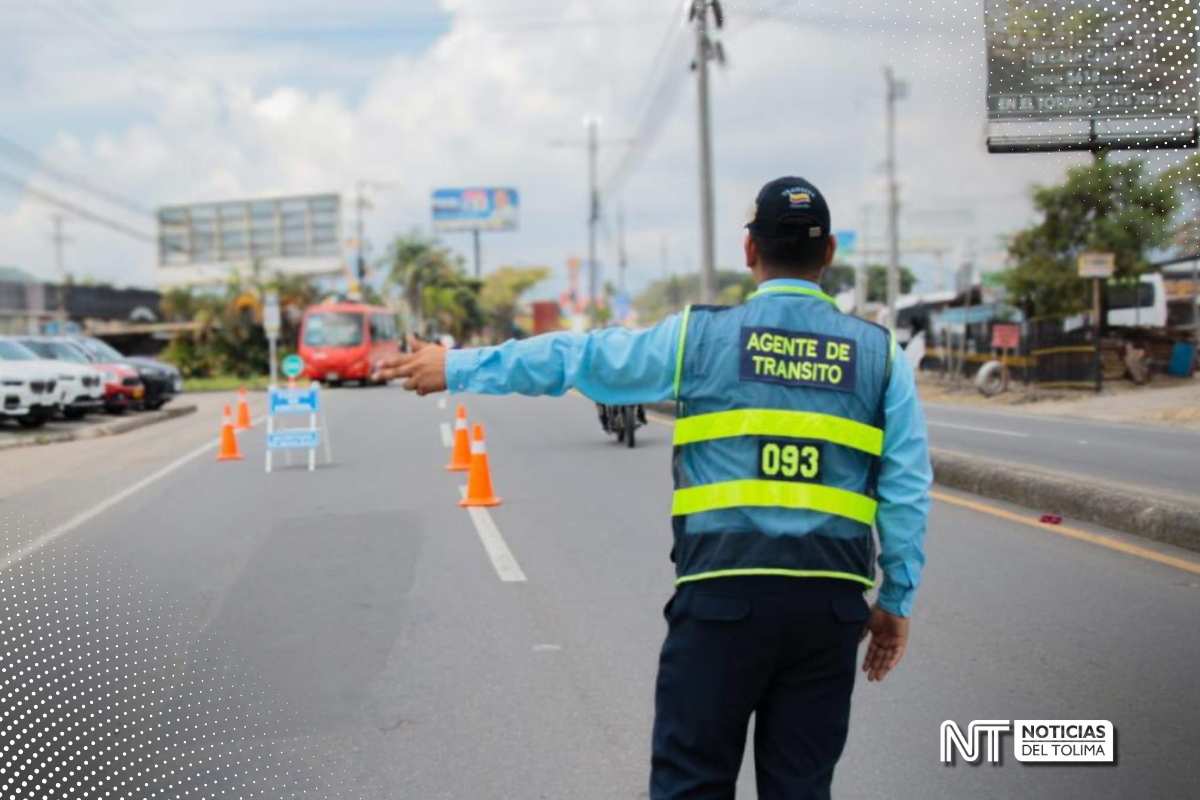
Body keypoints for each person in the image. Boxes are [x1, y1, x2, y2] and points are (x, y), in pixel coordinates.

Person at [373, 176, 931, 800]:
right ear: (829, 253)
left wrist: (455, 364)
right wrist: (896, 600)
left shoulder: (700, 337)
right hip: (828, 610)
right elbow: (907, 488)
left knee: (690, 785)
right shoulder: (879, 355)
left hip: (722, 603)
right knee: (802, 790)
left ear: (749, 251)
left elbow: (576, 359)